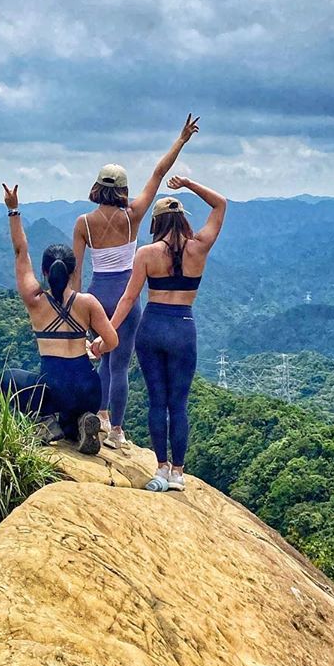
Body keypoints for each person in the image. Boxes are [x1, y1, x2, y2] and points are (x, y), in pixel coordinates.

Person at [72, 115, 199, 450]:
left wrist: (74, 306)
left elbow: (76, 271)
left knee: (102, 355)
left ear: (97, 187)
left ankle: (99, 415)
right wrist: (181, 139)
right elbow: (158, 172)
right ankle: (116, 430)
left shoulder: (83, 223)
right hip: (127, 296)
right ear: (123, 190)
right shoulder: (134, 215)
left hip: (96, 295)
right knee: (120, 365)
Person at [110, 176, 226, 492]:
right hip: (183, 327)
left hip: (151, 327)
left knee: (156, 402)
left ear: (156, 223)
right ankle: (178, 473)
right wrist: (188, 183)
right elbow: (220, 204)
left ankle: (160, 468)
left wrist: (107, 333)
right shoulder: (199, 247)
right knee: (179, 405)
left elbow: (129, 298)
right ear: (183, 220)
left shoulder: (146, 254)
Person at [0, 183, 118, 455]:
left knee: (7, 378)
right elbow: (112, 340)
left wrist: (13, 210)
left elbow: (20, 252)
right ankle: (80, 422)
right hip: (90, 390)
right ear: (73, 271)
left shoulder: (36, 301)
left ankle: (46, 421)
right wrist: (96, 347)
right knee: (72, 407)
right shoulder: (87, 303)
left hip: (53, 389)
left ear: (44, 271)